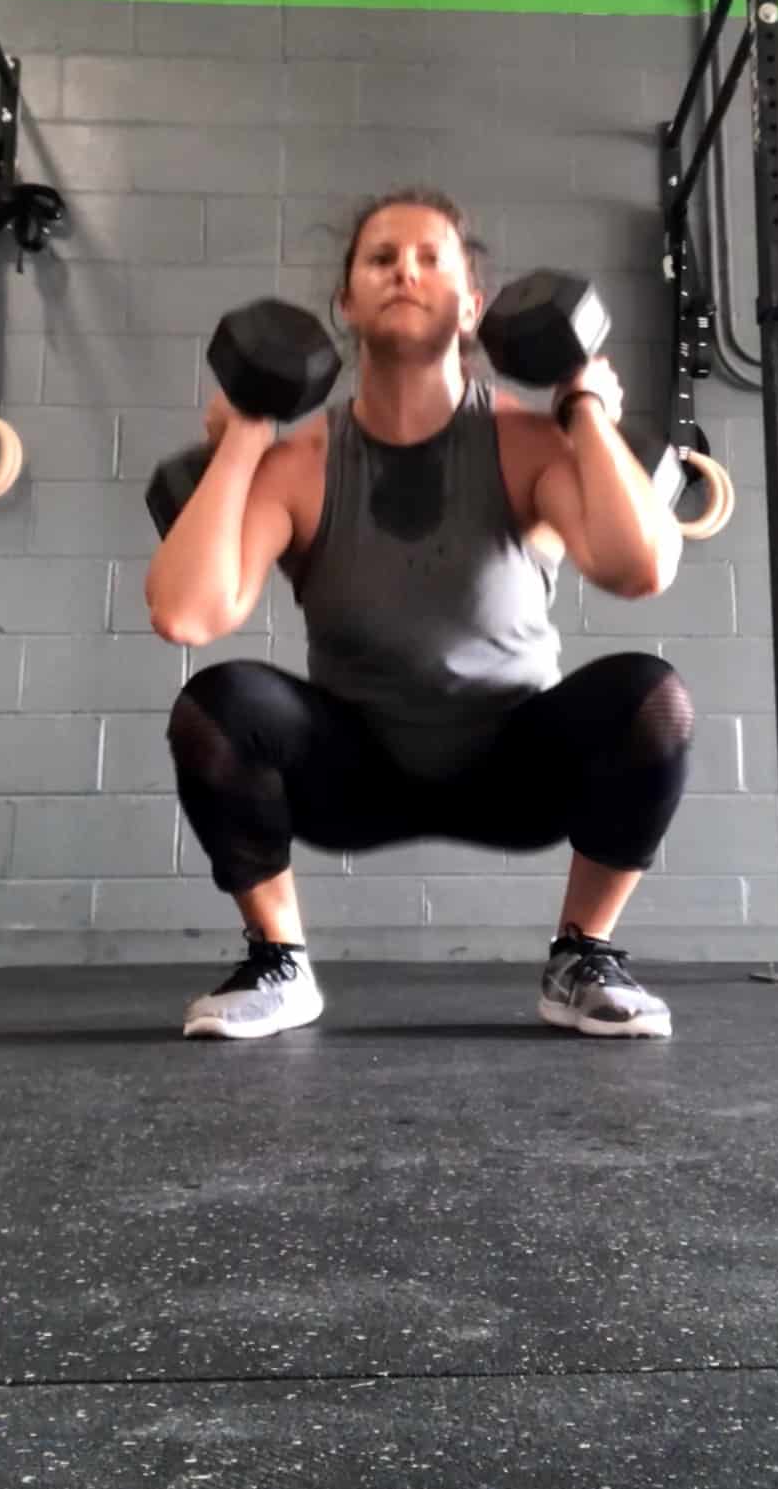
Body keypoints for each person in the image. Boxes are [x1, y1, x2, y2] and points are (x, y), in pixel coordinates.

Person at [145, 187, 694, 1042]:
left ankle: (584, 955)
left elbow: (641, 568)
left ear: (472, 307)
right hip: (352, 770)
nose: (405, 269)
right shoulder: (302, 463)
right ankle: (278, 961)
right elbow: (185, 614)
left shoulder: (525, 441)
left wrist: (584, 410)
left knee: (649, 697)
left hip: (516, 768)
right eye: (380, 258)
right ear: (346, 303)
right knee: (216, 704)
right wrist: (247, 438)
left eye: (431, 258)